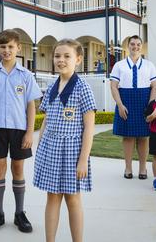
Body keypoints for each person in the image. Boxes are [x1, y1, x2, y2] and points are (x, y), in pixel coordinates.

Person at [0, 29, 42, 234]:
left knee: (18, 169)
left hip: (19, 130)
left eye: (10, 47)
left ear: (18, 48)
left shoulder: (26, 76)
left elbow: (31, 105)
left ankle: (19, 213)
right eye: (3, 47)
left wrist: (30, 132)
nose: (6, 50)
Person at [34, 39, 96, 242]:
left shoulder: (83, 88)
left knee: (73, 198)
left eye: (67, 56)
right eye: (58, 56)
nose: (61, 60)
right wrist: (40, 145)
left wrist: (83, 160)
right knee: (52, 196)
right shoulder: (52, 86)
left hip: (72, 151)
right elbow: (46, 119)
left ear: (78, 59)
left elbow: (89, 127)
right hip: (50, 149)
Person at [110, 35, 156, 179]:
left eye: (138, 44)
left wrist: (151, 104)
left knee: (144, 137)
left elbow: (154, 86)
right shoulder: (119, 65)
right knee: (128, 137)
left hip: (144, 101)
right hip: (126, 101)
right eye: (132, 44)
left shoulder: (149, 65)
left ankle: (143, 169)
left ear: (141, 46)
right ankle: (128, 168)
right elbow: (113, 86)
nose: (135, 47)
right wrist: (119, 104)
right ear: (128, 46)